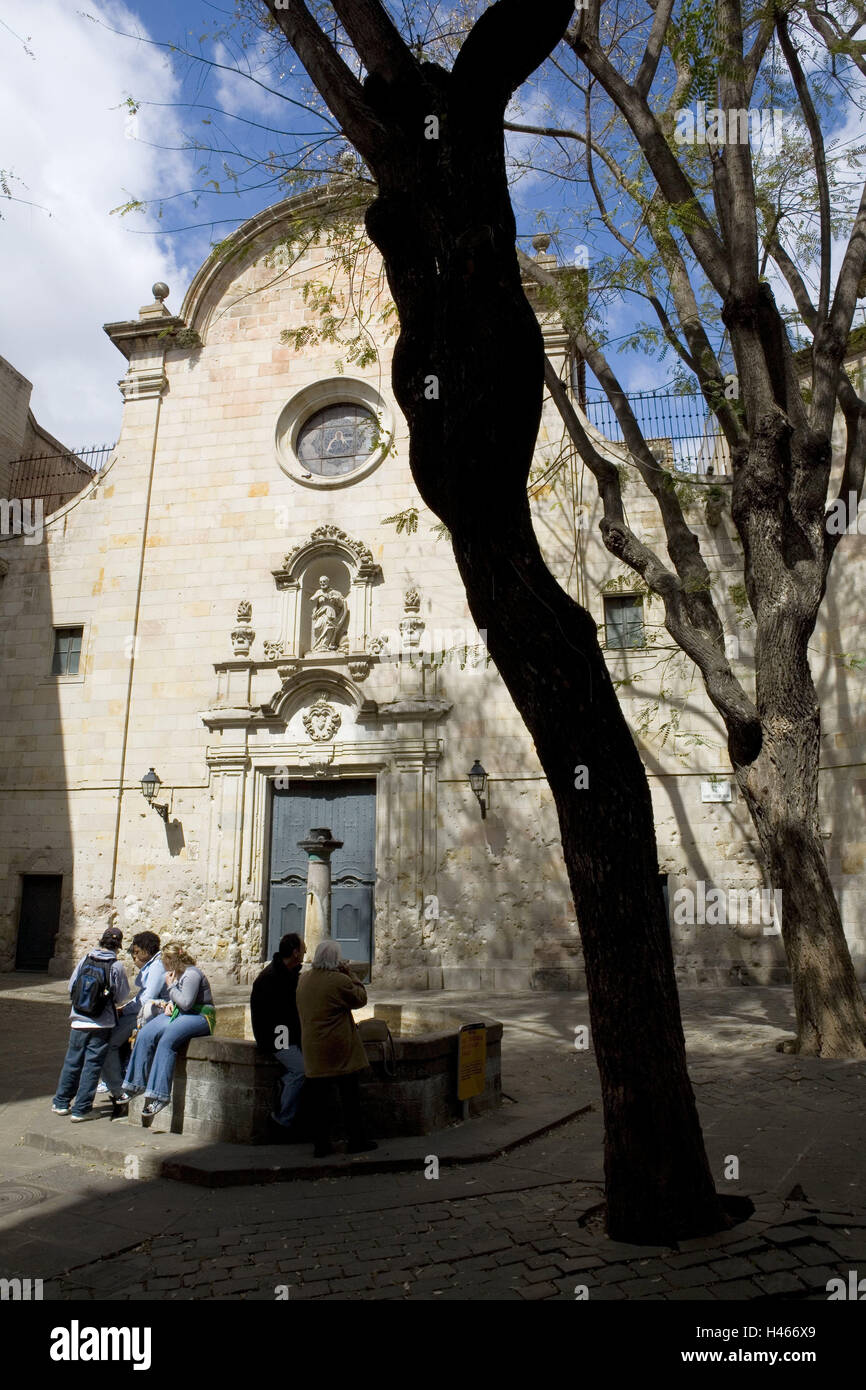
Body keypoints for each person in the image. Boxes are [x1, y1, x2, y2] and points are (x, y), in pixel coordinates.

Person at [296, 939, 377, 1158]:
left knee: (319, 1102)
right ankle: (356, 1140)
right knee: (349, 1097)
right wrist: (351, 974)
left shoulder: (304, 979)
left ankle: (321, 1145)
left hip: (313, 1048)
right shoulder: (339, 981)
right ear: (335, 960)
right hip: (338, 1049)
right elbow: (361, 999)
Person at [122, 943, 215, 1117]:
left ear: (171, 961)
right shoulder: (174, 974)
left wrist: (171, 987)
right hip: (180, 1014)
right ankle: (133, 1085)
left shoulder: (192, 974)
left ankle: (159, 1095)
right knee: (146, 1033)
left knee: (167, 1040)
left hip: (199, 1017)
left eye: (165, 963)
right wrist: (169, 1004)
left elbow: (187, 1003)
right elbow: (178, 1001)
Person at [52, 927, 130, 1123]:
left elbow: (71, 987)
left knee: (72, 1061)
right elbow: (121, 996)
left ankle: (61, 1103)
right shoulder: (116, 966)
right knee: (92, 1065)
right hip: (101, 1023)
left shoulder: (85, 959)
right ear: (118, 946)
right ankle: (82, 1109)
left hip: (78, 1020)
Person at [101, 931, 168, 1117]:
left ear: (146, 951)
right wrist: (124, 1008)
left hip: (148, 1012)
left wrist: (125, 1009)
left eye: (137, 952)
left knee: (109, 1043)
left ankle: (118, 1089)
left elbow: (147, 997)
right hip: (140, 1009)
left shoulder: (156, 967)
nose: (134, 956)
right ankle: (116, 1082)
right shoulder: (154, 964)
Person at [250, 933, 307, 1143]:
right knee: (300, 1070)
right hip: (277, 1037)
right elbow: (278, 1018)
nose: (305, 953)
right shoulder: (272, 978)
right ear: (295, 952)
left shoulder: (287, 974)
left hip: (285, 1035)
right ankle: (281, 1120)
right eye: (303, 950)